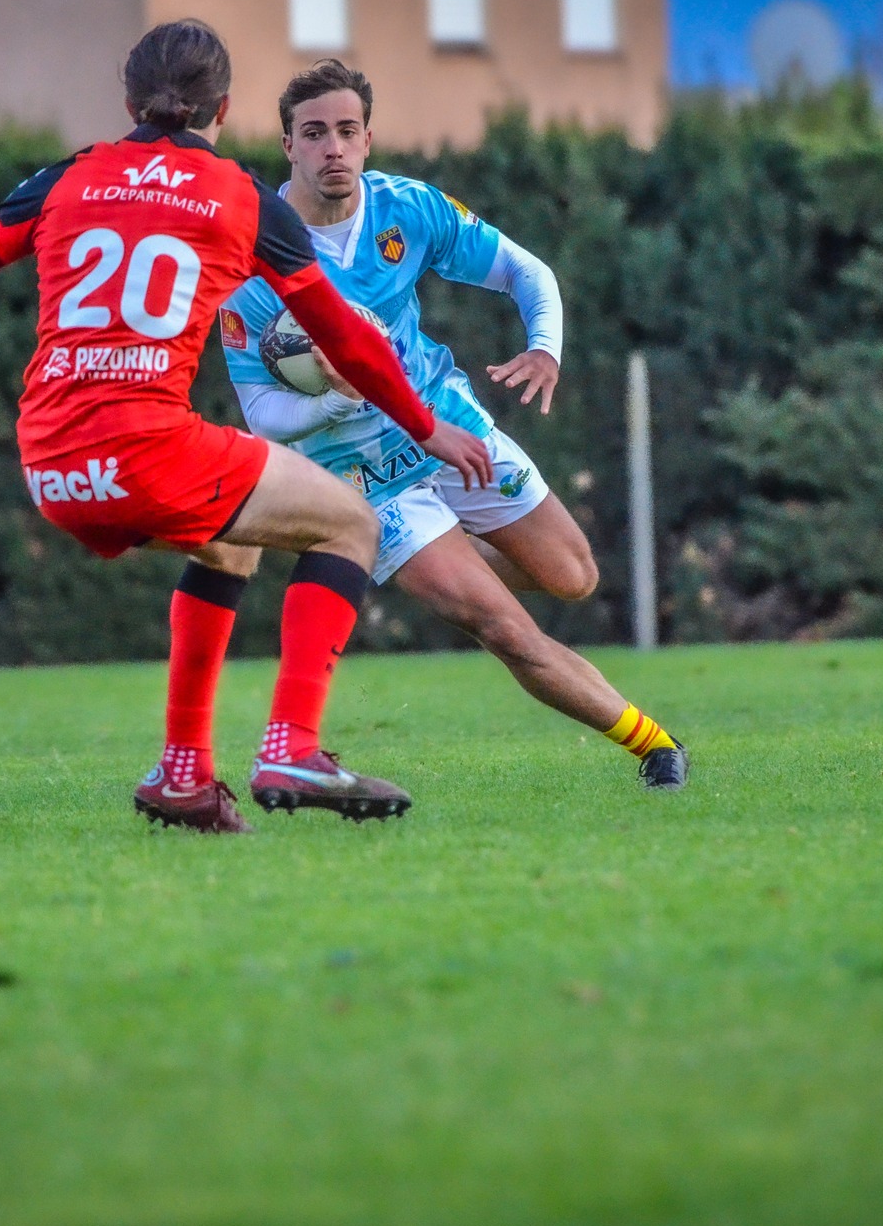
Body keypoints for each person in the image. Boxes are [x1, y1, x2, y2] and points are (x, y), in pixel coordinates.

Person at [0, 22, 493, 834]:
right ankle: (292, 746)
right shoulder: (243, 199)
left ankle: (185, 773)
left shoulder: (68, 178)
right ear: (225, 108)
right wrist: (425, 427)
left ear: (129, 100)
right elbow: (350, 340)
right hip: (146, 452)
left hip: (53, 465)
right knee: (350, 523)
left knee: (231, 540)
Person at [216, 60, 687, 789]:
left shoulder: (410, 209)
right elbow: (266, 419)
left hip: (450, 428)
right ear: (289, 146)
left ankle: (456, 556)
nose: (332, 148)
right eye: (314, 134)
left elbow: (528, 274)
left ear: (368, 139)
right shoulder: (248, 261)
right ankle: (657, 746)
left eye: (346, 131)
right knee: (507, 632)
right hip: (366, 481)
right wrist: (338, 400)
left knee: (571, 577)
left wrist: (543, 347)